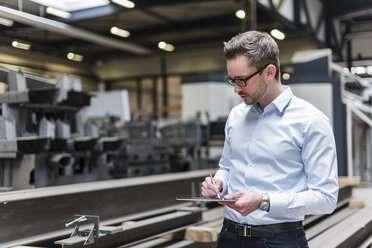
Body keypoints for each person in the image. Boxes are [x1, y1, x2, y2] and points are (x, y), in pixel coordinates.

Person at [201, 31, 339, 248]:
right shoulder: (236, 116)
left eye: (242, 80)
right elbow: (227, 167)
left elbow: (326, 199)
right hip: (229, 236)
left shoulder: (311, 121)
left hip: (280, 241)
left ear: (269, 72)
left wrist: (263, 201)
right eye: (231, 80)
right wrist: (219, 182)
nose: (236, 89)